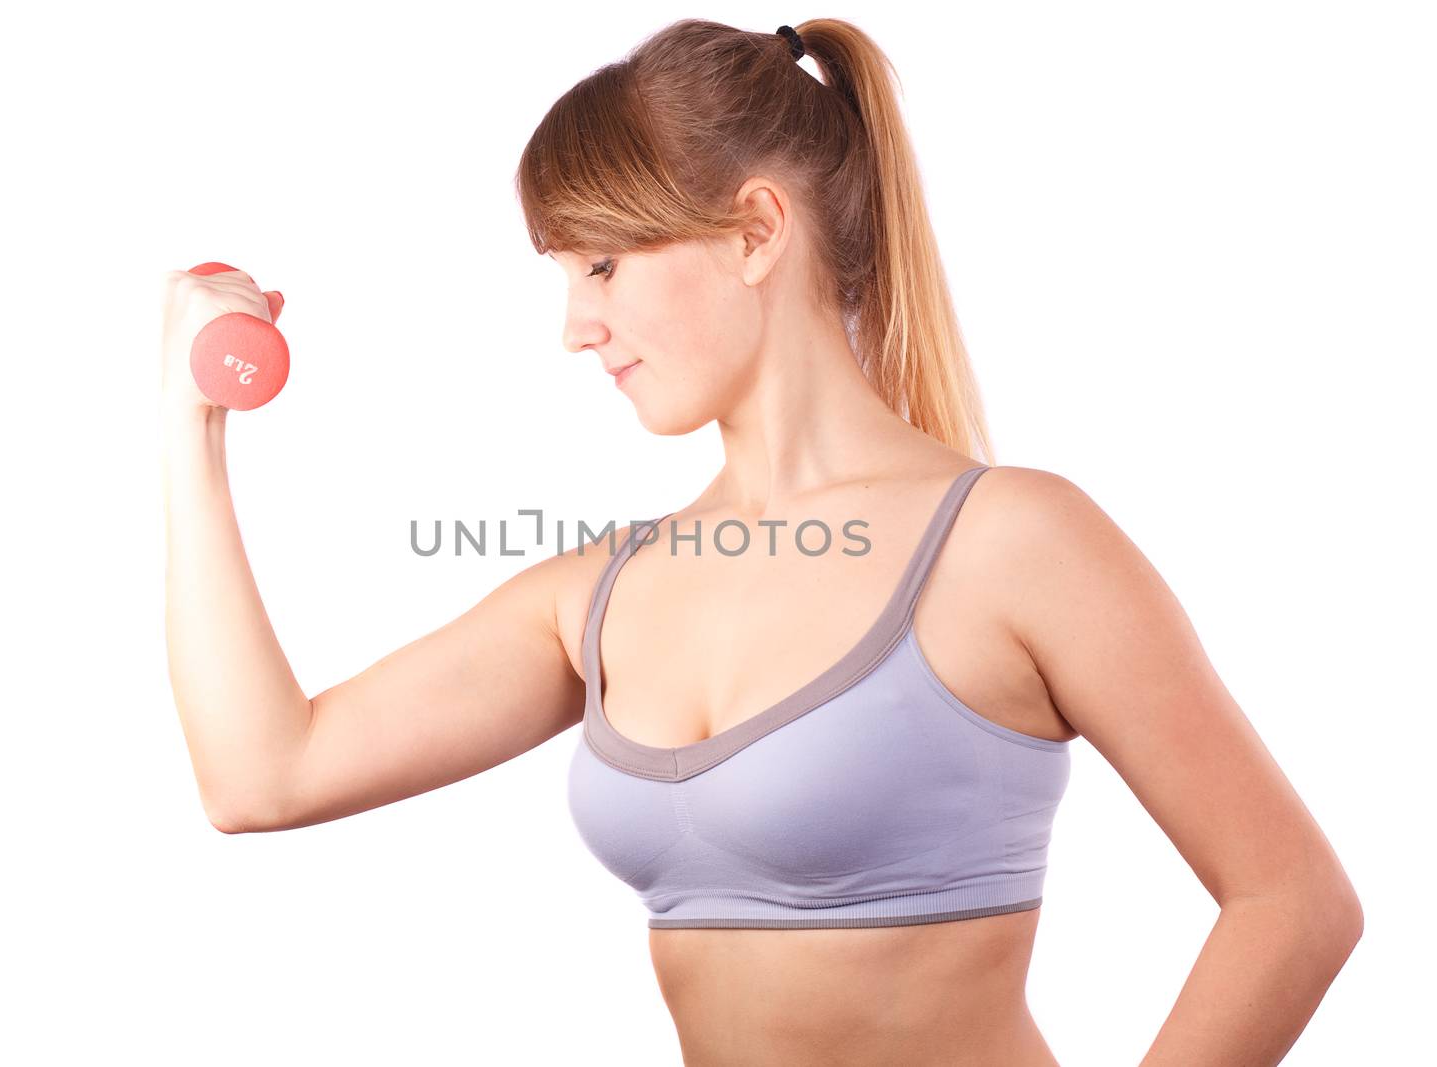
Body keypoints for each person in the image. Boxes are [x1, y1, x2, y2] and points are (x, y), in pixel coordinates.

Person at [160, 17, 1362, 1066]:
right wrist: (189, 425)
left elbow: (1291, 900)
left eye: (601, 262)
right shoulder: (603, 589)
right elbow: (265, 774)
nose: (577, 326)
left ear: (753, 232)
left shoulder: (1012, 543)